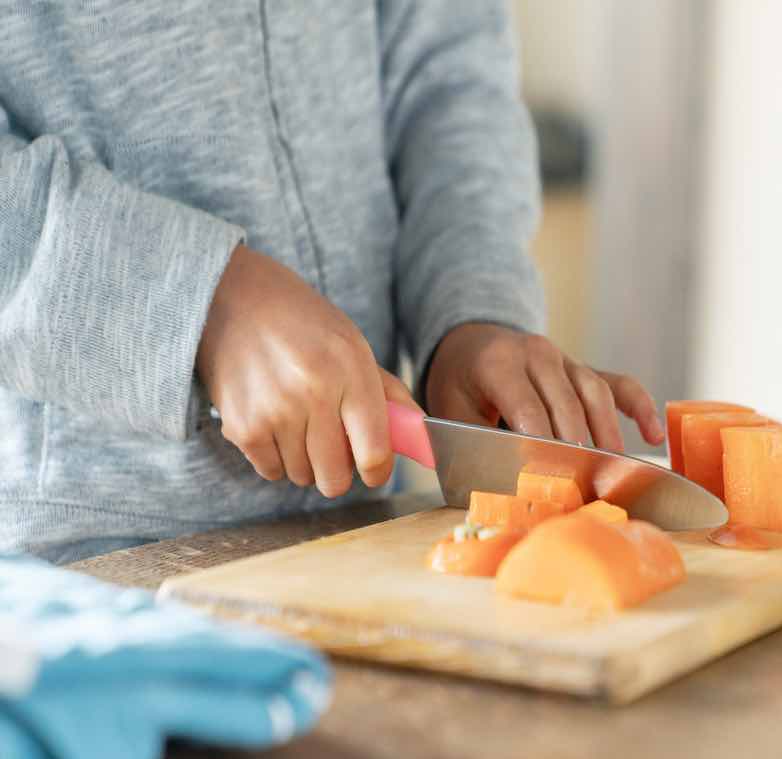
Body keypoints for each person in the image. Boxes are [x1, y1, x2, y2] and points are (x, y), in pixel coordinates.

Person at [0, 1, 664, 564]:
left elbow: (447, 72)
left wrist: (473, 310)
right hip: (76, 573)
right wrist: (197, 305)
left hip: (366, 532)